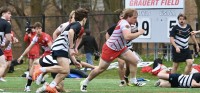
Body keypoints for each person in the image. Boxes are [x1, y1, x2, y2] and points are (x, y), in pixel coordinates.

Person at [80, 8, 145, 92]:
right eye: (135, 17)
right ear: (128, 17)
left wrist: (135, 31)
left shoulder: (126, 23)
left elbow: (126, 34)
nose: (136, 20)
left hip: (121, 48)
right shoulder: (125, 24)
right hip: (110, 49)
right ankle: (85, 82)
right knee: (101, 69)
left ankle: (133, 80)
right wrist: (139, 33)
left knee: (135, 60)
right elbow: (127, 36)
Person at [33, 8, 89, 93]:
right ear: (84, 18)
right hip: (60, 47)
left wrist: (74, 61)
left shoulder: (76, 25)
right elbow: (70, 32)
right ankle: (41, 70)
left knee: (66, 71)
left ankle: (50, 86)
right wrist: (71, 48)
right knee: (65, 70)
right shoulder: (78, 25)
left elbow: (69, 38)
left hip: (60, 46)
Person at [17, 22, 53, 92]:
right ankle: (28, 85)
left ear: (41, 29)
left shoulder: (46, 36)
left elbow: (52, 48)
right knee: (34, 64)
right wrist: (21, 56)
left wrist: (55, 56)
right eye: (36, 29)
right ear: (35, 30)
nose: (38, 30)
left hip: (52, 54)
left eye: (39, 28)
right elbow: (29, 48)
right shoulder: (36, 37)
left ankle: (41, 76)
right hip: (46, 53)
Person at [0, 6, 12, 91]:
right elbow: (8, 38)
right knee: (4, 65)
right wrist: (4, 45)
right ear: (3, 13)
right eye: (9, 13)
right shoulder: (7, 24)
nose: (10, 15)